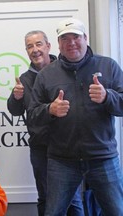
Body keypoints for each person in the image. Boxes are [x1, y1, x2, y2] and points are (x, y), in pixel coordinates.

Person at [28, 18, 123, 216]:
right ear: (58, 43)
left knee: (116, 210)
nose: (71, 43)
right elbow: (33, 115)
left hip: (102, 157)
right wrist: (50, 110)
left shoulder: (108, 66)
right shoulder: (46, 75)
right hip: (62, 160)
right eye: (65, 39)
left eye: (76, 37)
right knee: (53, 212)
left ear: (85, 38)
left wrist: (108, 97)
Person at [7, 30, 84, 216]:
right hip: (40, 148)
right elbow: (15, 111)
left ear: (48, 46)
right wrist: (16, 97)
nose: (35, 50)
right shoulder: (24, 79)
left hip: (68, 146)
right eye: (30, 46)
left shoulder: (65, 70)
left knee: (73, 198)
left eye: (38, 44)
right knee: (45, 196)